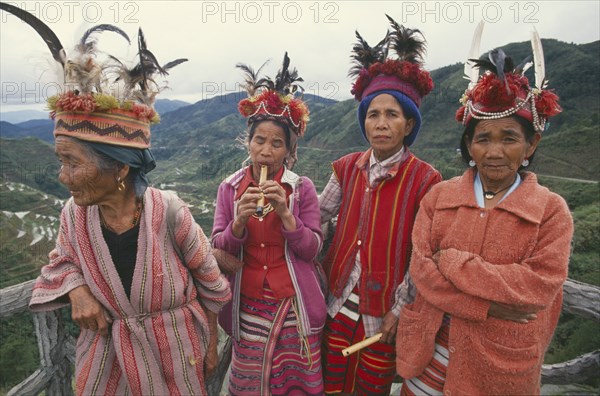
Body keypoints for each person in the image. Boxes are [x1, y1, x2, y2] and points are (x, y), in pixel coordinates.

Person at [10, 6, 232, 394]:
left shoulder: (170, 212)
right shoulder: (73, 217)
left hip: (177, 353)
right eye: (60, 161)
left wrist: (211, 342)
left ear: (121, 169)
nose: (62, 177)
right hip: (109, 356)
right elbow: (61, 261)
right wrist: (76, 290)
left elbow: (210, 284)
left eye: (72, 163)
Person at [395, 29, 572, 395]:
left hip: (497, 368)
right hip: (426, 362)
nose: (494, 151)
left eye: (509, 138)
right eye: (482, 139)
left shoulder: (551, 212)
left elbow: (536, 287)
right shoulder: (440, 197)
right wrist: (487, 308)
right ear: (468, 145)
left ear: (530, 144)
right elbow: (423, 272)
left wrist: (455, 262)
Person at [320, 16, 442, 395]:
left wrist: (401, 309)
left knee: (370, 385)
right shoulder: (346, 168)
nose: (381, 123)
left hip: (383, 310)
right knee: (331, 383)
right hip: (337, 302)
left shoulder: (426, 180)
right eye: (373, 114)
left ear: (409, 125)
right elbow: (318, 217)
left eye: (392, 115)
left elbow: (423, 253)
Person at [212, 53, 326, 395]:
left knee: (294, 382)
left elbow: (312, 249)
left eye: (277, 143)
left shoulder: (301, 187)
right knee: (250, 379)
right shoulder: (229, 188)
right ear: (248, 143)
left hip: (292, 304)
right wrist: (238, 223)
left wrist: (287, 215)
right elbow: (219, 245)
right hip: (247, 305)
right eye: (259, 140)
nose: (266, 150)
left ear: (288, 151)